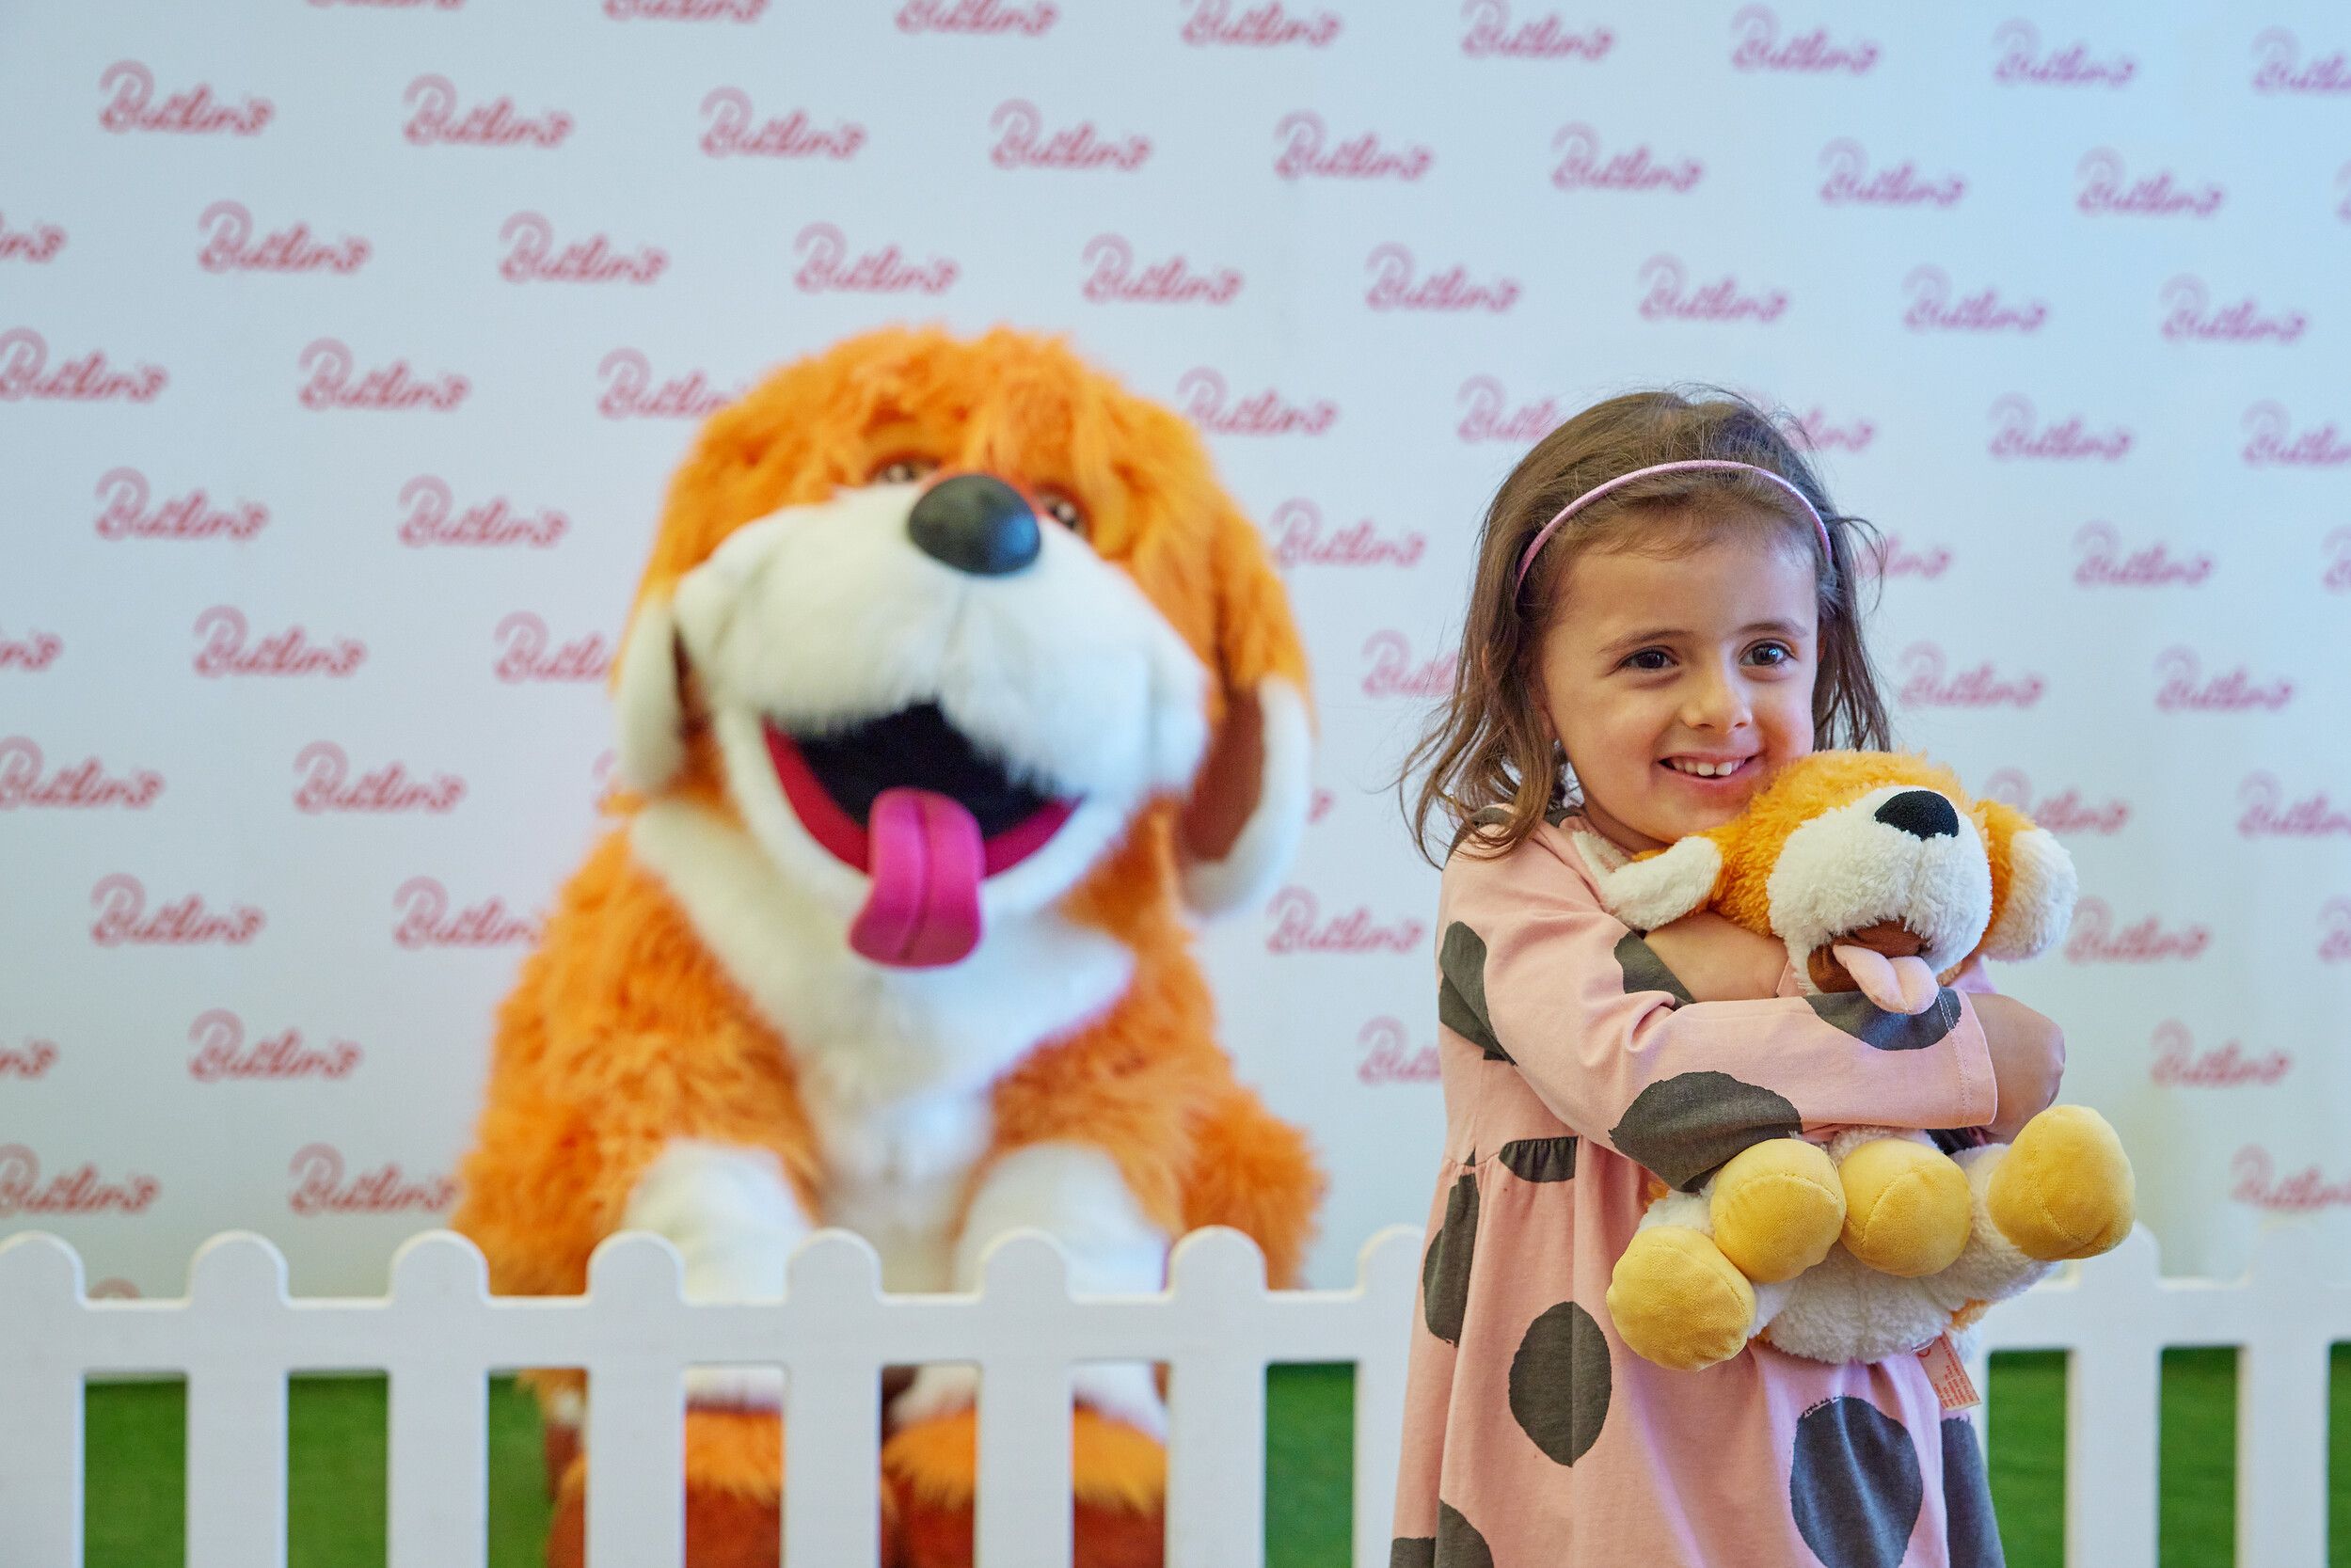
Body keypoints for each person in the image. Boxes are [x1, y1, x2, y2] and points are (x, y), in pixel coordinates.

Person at [1388, 388, 2062, 1567]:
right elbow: (1637, 1070)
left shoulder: (1857, 865)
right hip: (1597, 1438)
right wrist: (1948, 1053)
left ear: (1822, 654)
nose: (1723, 705)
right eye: (1651, 657)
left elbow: (1984, 1111)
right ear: (1529, 679)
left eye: (1767, 651)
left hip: (1837, 1418)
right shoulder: (1521, 878)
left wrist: (1957, 1061)